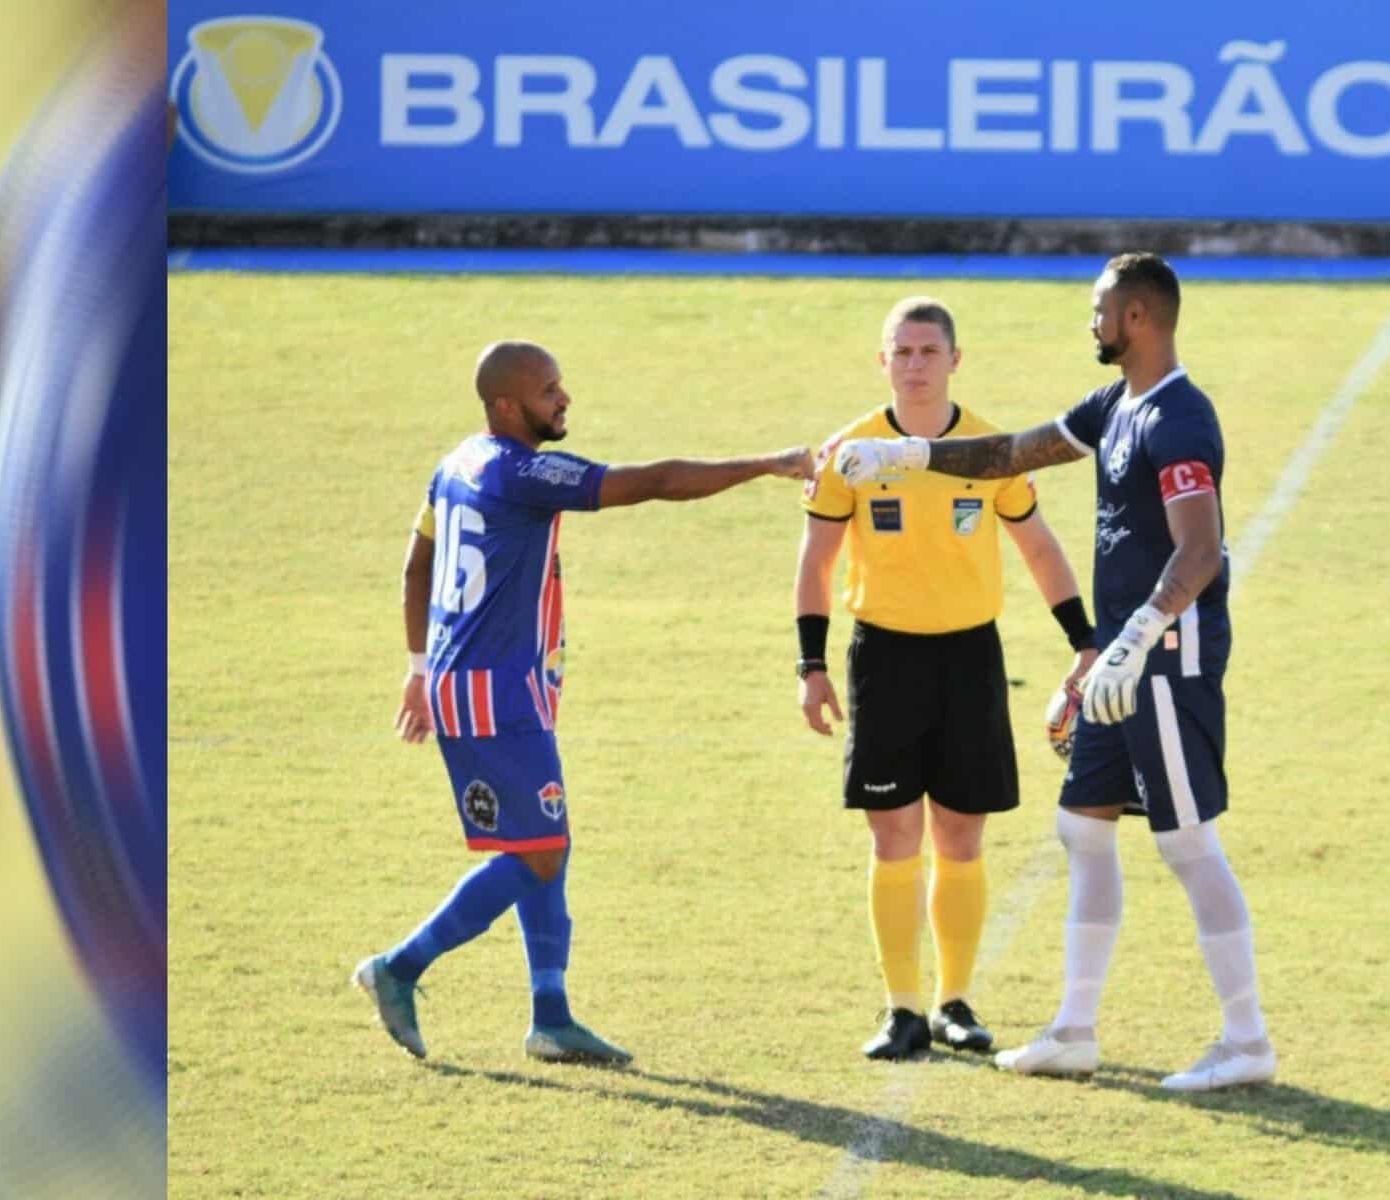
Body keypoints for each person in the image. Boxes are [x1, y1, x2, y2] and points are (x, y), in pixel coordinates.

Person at [831, 254, 1276, 1091]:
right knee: (1082, 827)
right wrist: (912, 456)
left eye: (1099, 308)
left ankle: (1246, 1041)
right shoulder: (1114, 404)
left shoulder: (1179, 418)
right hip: (1118, 659)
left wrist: (1138, 633)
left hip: (1164, 659)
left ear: (1137, 317)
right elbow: (1013, 452)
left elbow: (1201, 549)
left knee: (1185, 842)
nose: (1090, 321)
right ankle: (1074, 1029)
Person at [354, 340, 812, 1064]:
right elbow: (655, 480)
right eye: (547, 390)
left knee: (545, 844)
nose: (563, 398)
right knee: (538, 849)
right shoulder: (520, 471)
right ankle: (399, 967)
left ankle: (551, 1016)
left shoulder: (456, 464)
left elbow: (416, 566)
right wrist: (765, 464)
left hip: (485, 685)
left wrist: (418, 666)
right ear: (507, 405)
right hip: (493, 693)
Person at [797, 297, 1096, 1061]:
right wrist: (811, 665)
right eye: (902, 351)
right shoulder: (852, 454)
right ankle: (901, 1009)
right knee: (893, 835)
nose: (916, 364)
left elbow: (1037, 547)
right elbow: (817, 563)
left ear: (954, 360)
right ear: (883, 361)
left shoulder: (991, 450)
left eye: (929, 351)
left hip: (969, 658)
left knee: (960, 836)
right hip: (883, 659)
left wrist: (1083, 640)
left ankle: (953, 1002)